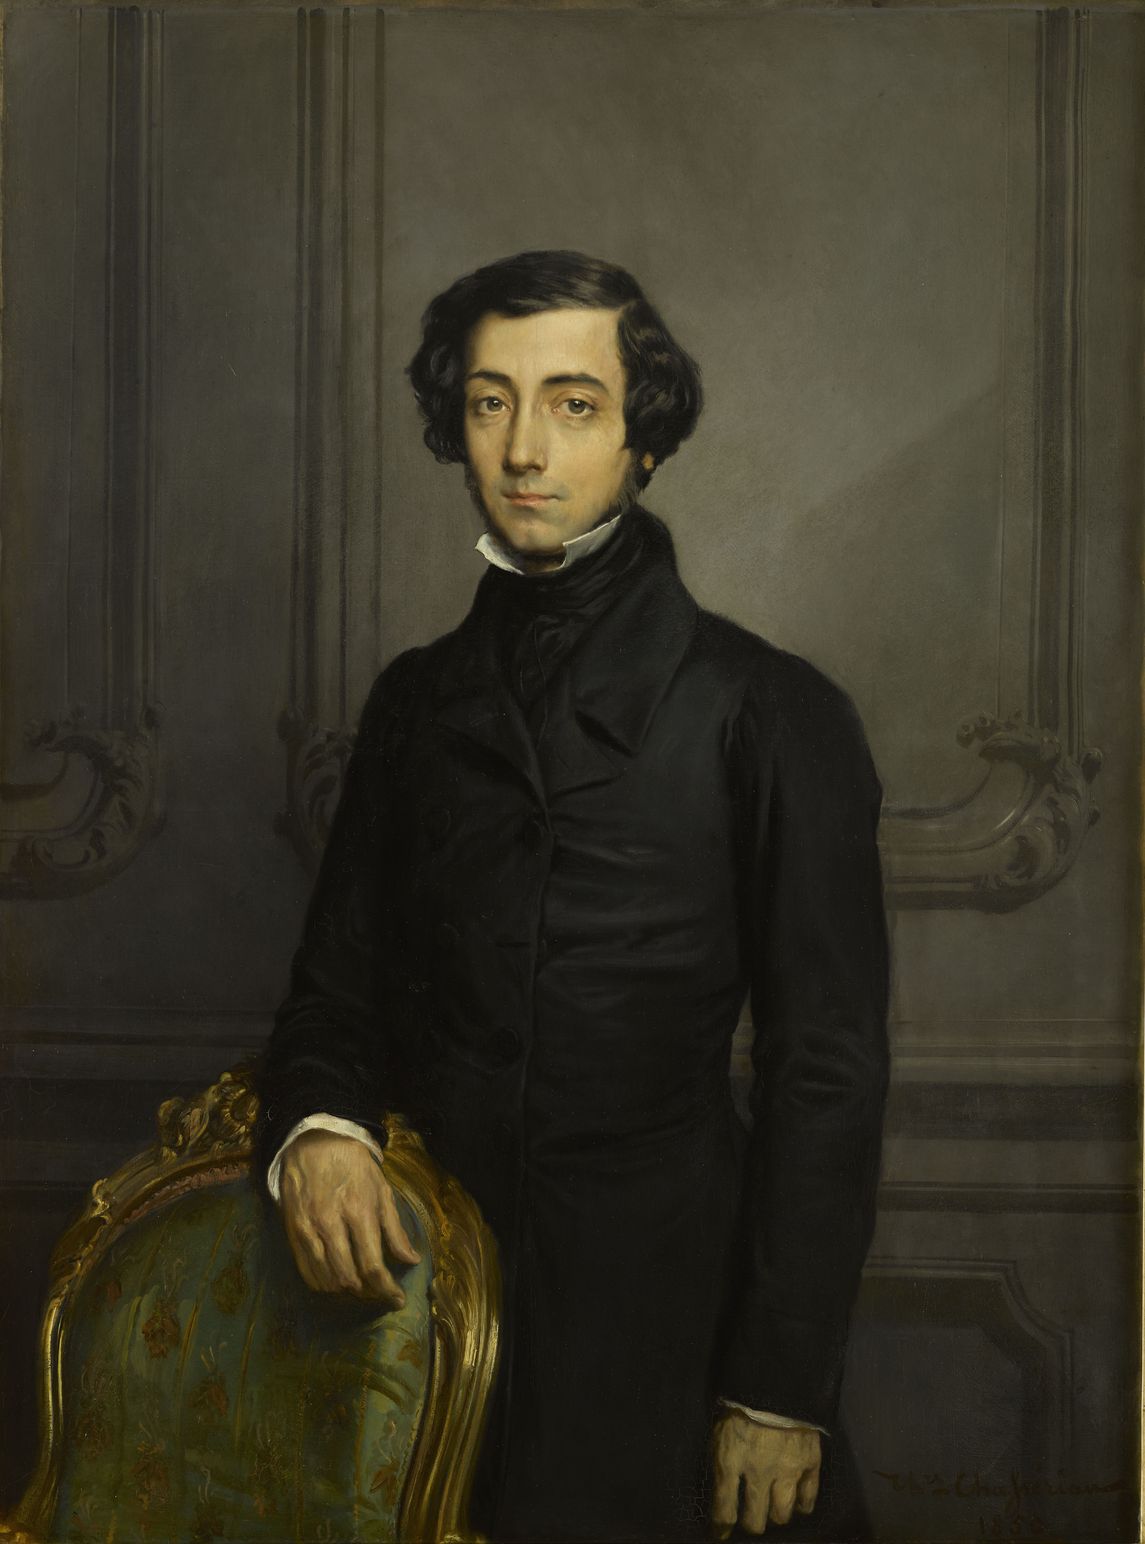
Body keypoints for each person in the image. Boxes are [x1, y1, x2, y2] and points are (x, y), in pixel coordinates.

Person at [256, 250, 890, 1544]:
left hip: (675, 1336)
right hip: (422, 1331)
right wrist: (319, 1127)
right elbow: (331, 998)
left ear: (643, 439)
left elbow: (825, 1067)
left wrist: (778, 1386)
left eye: (573, 404)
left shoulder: (767, 710)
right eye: (490, 401)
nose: (525, 449)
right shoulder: (415, 703)